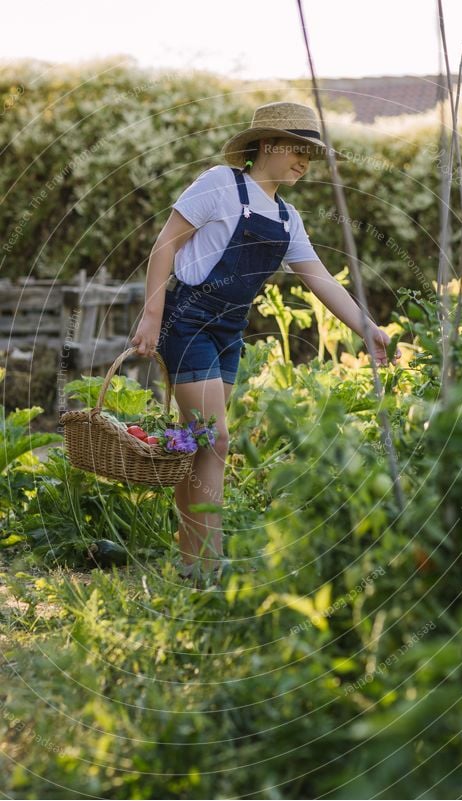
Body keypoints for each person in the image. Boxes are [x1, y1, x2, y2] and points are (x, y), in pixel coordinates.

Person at [131, 101, 399, 582]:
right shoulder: (219, 183)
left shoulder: (287, 216)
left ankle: (192, 564)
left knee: (201, 444)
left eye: (310, 154)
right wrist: (152, 316)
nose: (304, 161)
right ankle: (208, 566)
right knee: (215, 439)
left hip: (229, 330)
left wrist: (369, 327)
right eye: (297, 149)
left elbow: (320, 279)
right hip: (187, 321)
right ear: (266, 144)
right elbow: (165, 244)